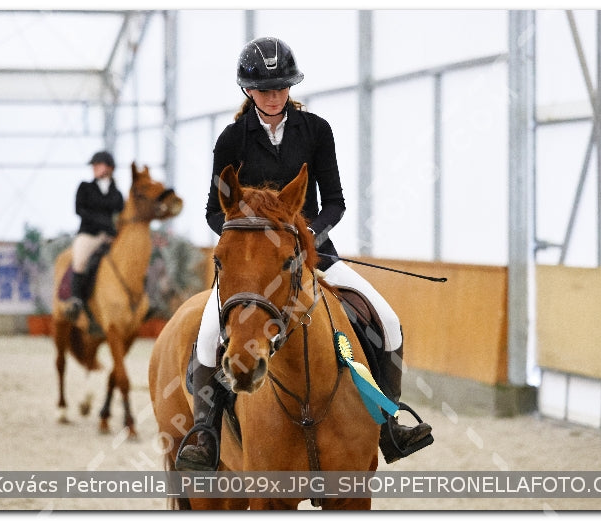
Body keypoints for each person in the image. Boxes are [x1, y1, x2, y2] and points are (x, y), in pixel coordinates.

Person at [176, 37, 432, 471]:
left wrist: (306, 235)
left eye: (281, 87)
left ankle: (388, 424)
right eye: (264, 89)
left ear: (290, 87)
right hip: (249, 270)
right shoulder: (230, 140)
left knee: (386, 321)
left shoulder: (316, 130)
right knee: (205, 338)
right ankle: (205, 431)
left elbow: (334, 201)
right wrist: (246, 244)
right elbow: (211, 210)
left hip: (312, 254)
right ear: (248, 91)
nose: (273, 96)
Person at [63, 151, 124, 320]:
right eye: (94, 165)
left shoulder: (117, 194)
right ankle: (76, 299)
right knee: (80, 260)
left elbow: (121, 216)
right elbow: (80, 210)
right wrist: (104, 224)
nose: (95, 168)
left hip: (111, 237)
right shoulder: (85, 188)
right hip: (89, 235)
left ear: (109, 167)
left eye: (99, 164)